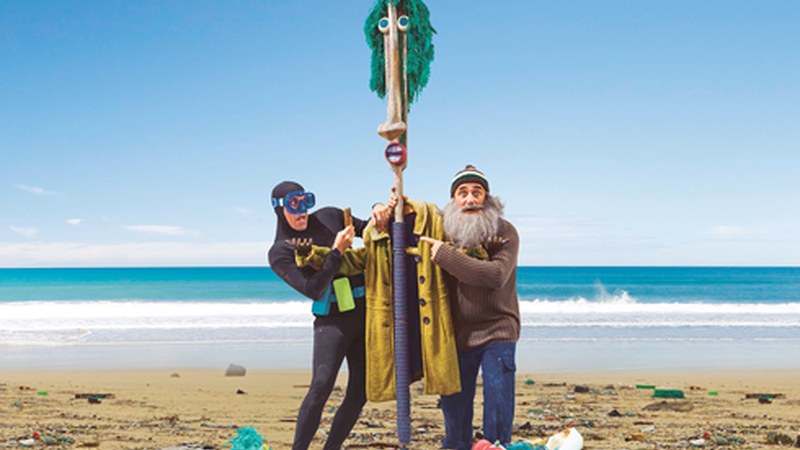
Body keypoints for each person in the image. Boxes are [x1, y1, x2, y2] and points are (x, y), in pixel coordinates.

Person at [267, 180, 390, 450]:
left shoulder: (330, 216)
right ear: (279, 209)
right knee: (321, 386)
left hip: (365, 315)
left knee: (360, 392)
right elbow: (313, 288)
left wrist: (378, 207)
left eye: (305, 202)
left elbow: (372, 229)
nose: (301, 212)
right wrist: (337, 252)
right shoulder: (280, 251)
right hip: (332, 322)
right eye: (293, 204)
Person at [420, 165, 521, 450]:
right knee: (454, 411)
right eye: (462, 193)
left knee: (498, 407)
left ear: (487, 198)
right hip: (456, 334)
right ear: (453, 201)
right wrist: (385, 205)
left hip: (498, 331)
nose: (470, 199)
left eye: (477, 192)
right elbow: (410, 218)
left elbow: (495, 276)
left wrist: (446, 256)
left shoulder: (504, 232)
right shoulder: (446, 231)